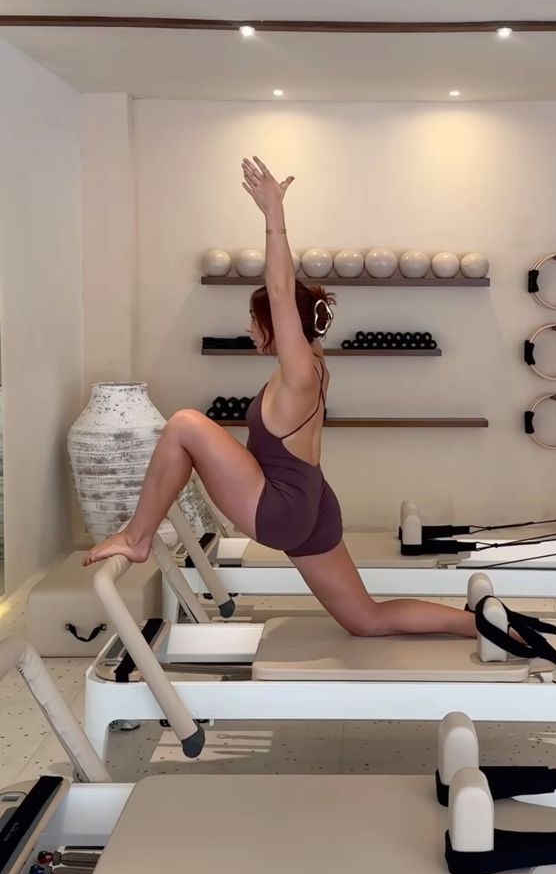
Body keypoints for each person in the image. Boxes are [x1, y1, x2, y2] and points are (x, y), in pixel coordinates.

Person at [84, 157, 475, 638]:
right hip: (312, 500)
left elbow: (279, 287)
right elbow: (289, 304)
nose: (249, 329)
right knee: (365, 618)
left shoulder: (298, 373)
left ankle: (136, 536)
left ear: (280, 322)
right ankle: (480, 625)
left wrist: (273, 214)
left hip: (282, 505)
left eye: (255, 320)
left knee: (184, 423)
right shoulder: (315, 365)